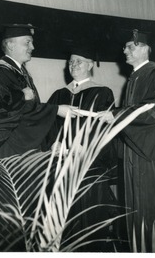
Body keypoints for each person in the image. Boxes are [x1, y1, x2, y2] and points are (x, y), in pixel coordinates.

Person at [100, 29, 155, 252]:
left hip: (152, 157)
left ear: (146, 48)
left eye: (131, 46)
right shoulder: (134, 78)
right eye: (125, 46)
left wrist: (117, 115)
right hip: (134, 157)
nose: (124, 50)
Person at [45, 46, 119, 251]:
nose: (73, 65)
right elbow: (49, 124)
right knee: (64, 218)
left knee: (89, 217)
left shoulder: (102, 92)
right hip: (61, 166)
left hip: (89, 166)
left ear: (89, 65)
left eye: (78, 61)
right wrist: (53, 142)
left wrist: (83, 146)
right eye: (70, 62)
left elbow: (104, 129)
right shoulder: (59, 95)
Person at [0, 24, 76, 158]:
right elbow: (15, 111)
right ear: (11, 45)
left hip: (19, 148)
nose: (33, 47)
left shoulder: (19, 72)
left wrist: (50, 142)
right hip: (7, 150)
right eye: (27, 43)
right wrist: (56, 110)